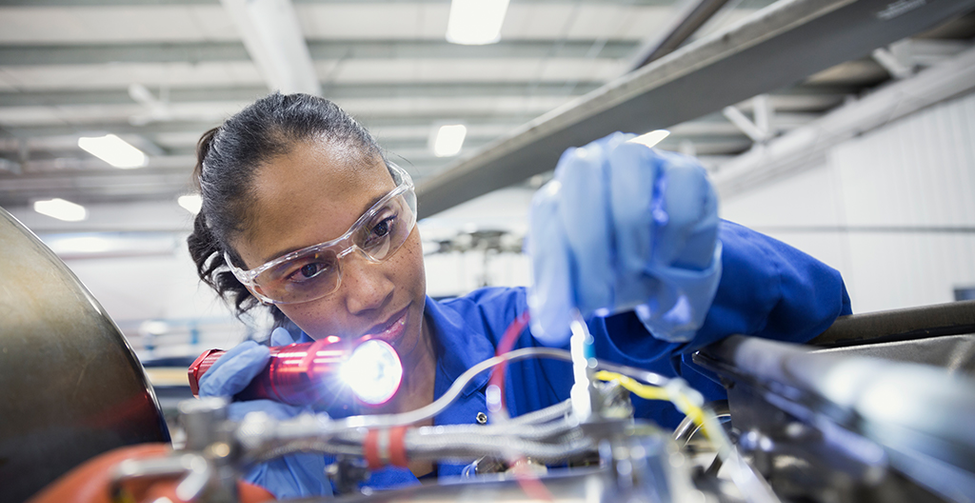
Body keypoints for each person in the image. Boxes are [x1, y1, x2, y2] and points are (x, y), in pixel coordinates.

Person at [189, 92, 851, 499]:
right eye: (305, 271)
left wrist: (696, 268)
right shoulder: (253, 438)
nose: (368, 289)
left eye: (379, 228)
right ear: (257, 287)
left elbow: (810, 319)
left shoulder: (523, 340)